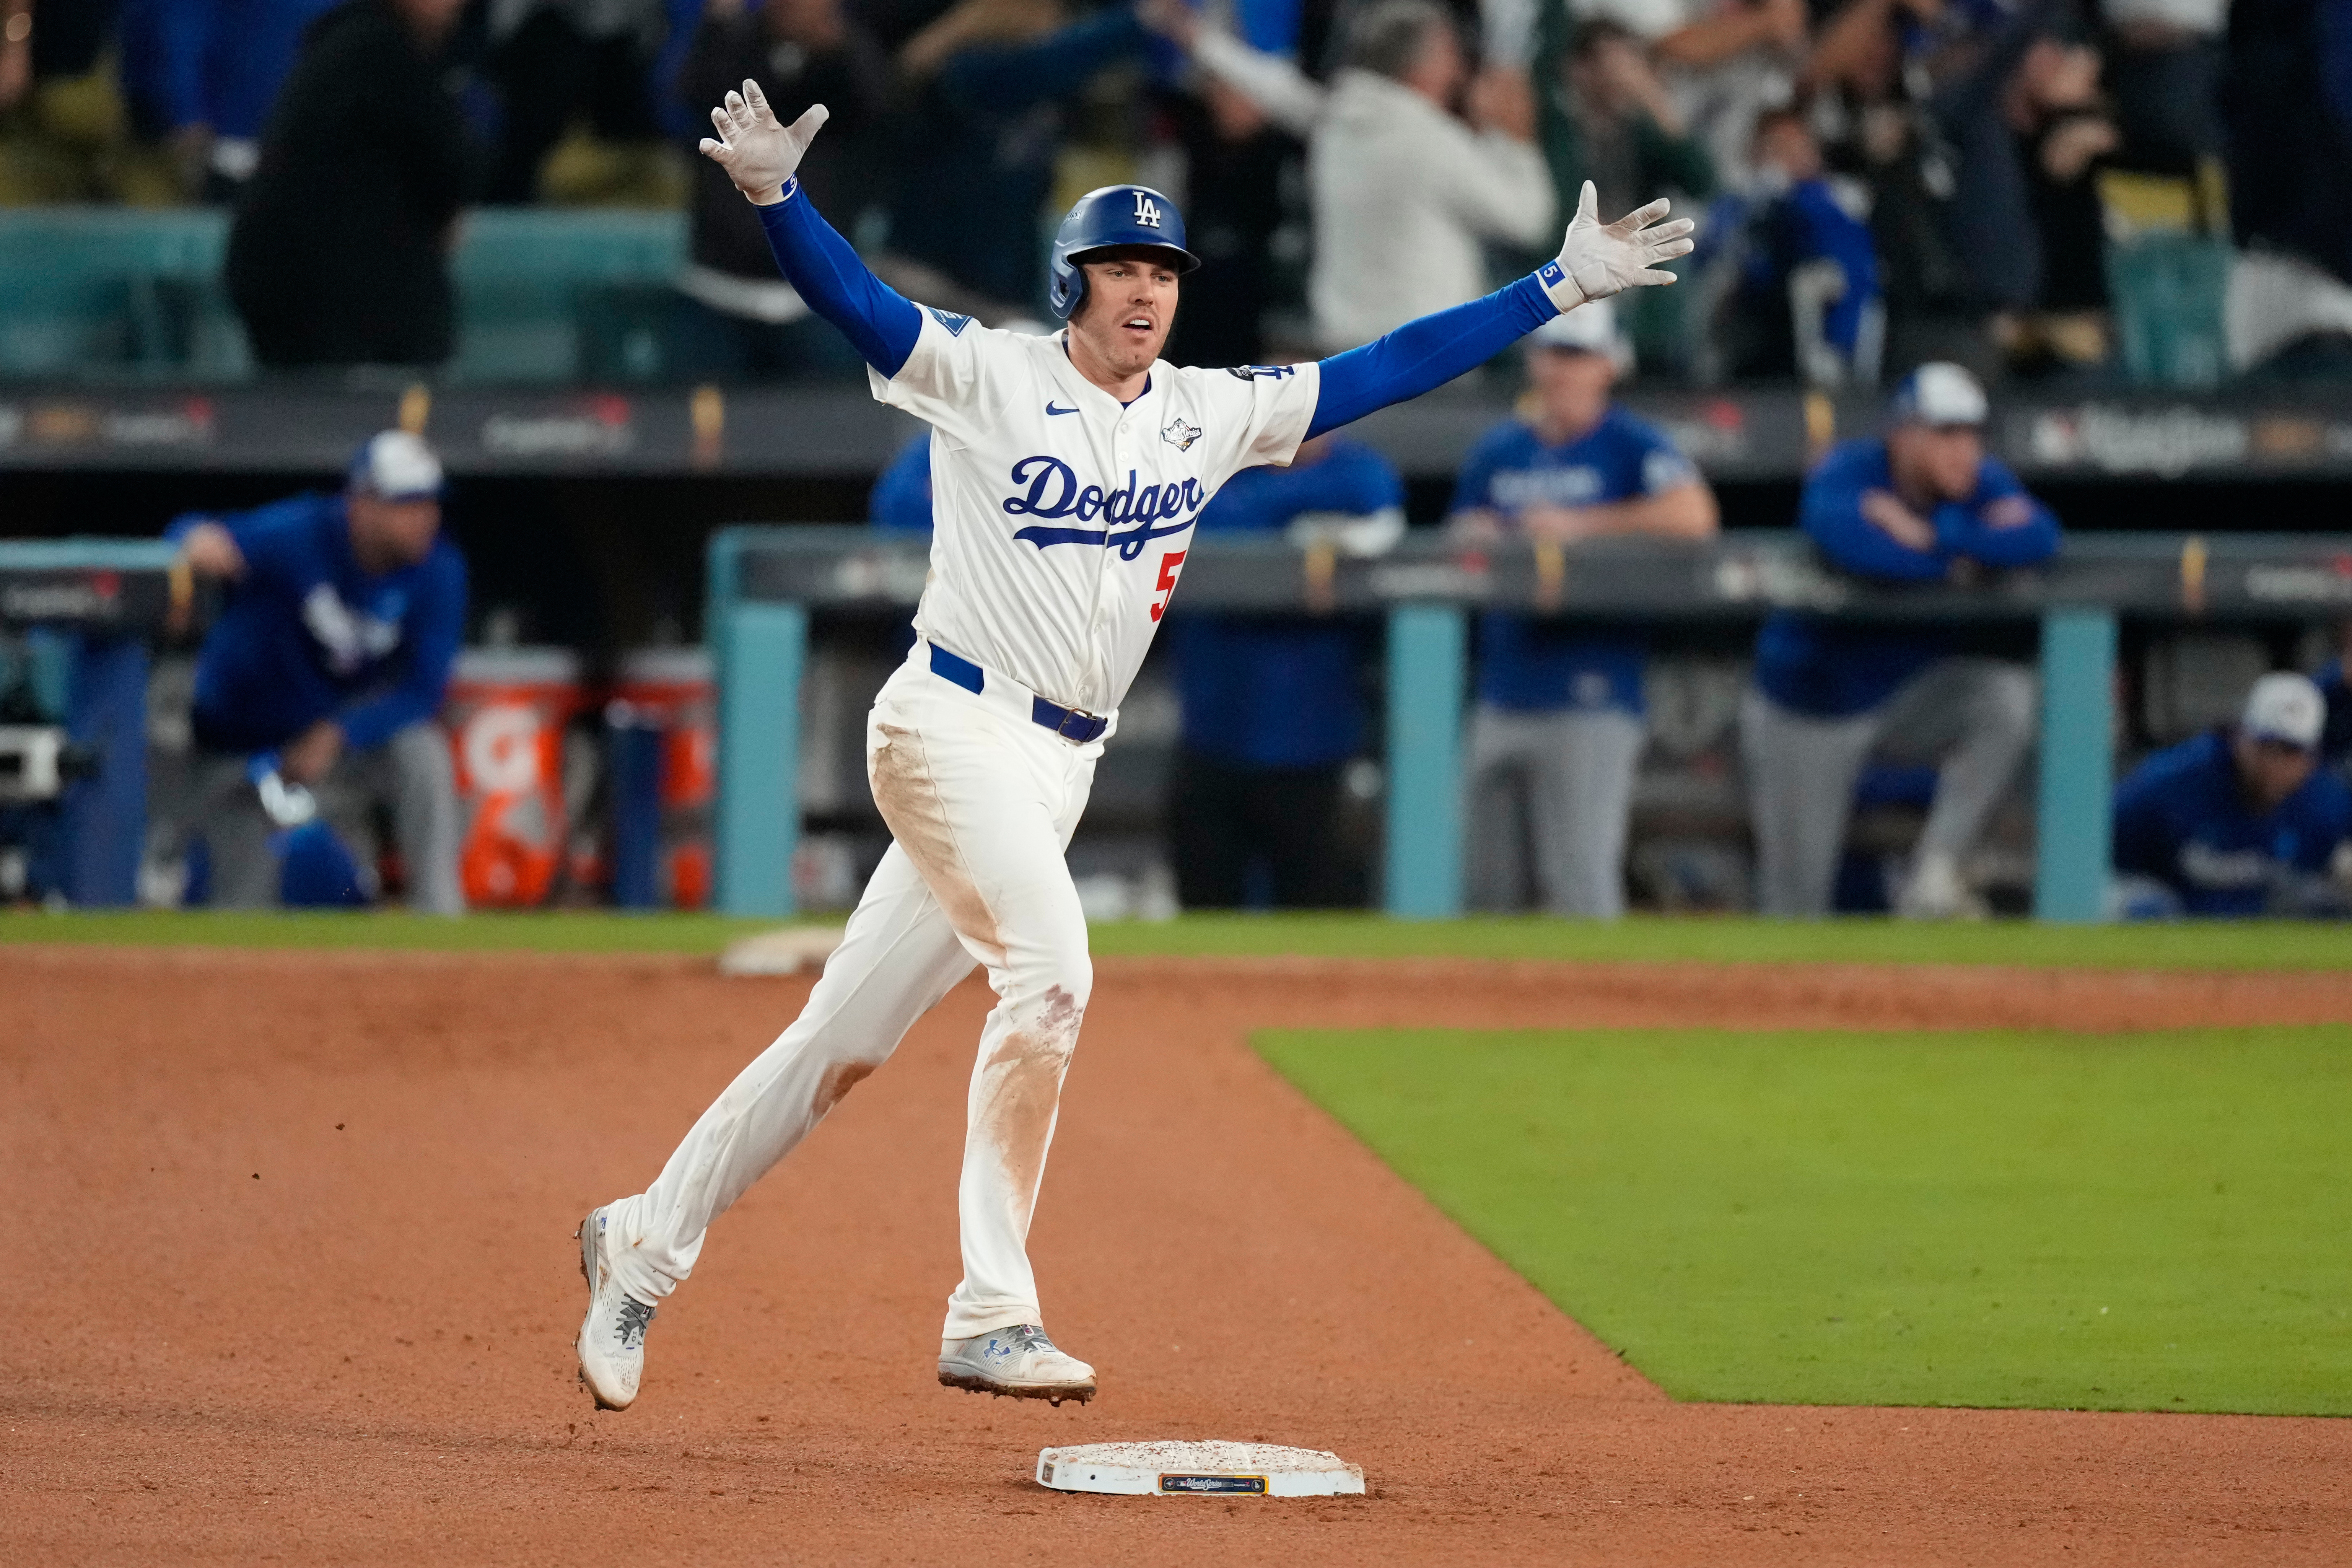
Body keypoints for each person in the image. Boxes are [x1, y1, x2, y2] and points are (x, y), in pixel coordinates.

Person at [571, 74, 1692, 1413]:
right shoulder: (987, 375)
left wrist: (1550, 292)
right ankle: (989, 1309)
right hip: (947, 725)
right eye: (1115, 267)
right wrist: (775, 196)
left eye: (1160, 267)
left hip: (1054, 764)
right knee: (1049, 975)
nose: (1143, 289)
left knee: (837, 1042)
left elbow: (1377, 370)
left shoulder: (1204, 412)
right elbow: (858, 307)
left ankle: (640, 1235)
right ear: (1070, 285)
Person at [1741, 362, 2059, 919]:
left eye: (1969, 434)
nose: (1962, 450)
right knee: (1796, 902)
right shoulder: (1850, 469)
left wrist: (1934, 534)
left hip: (1908, 696)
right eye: (1944, 434)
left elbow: (2038, 536)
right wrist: (1963, 556)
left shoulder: (1975, 480)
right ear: (1903, 434)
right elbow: (1854, 547)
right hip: (1813, 703)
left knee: (2003, 697)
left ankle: (1933, 873)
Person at [1449, 299, 1717, 917]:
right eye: (1555, 356)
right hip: (1502, 688)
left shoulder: (1629, 443)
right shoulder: (1500, 449)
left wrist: (1580, 525)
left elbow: (1693, 516)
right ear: (1534, 364)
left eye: (1579, 358)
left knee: (1580, 885)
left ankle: (1602, 1011)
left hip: (1592, 692)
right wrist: (1485, 537)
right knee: (1480, 892)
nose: (1564, 372)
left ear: (1607, 366)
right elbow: (1461, 531)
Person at [167, 431, 467, 915]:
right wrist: (194, 549)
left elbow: (422, 691)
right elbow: (194, 534)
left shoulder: (439, 570)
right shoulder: (299, 535)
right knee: (238, 908)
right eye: (407, 504)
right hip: (243, 749)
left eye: (429, 503)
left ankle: (442, 919)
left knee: (422, 754)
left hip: (334, 751)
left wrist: (338, 734)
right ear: (362, 504)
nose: (424, 519)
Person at [1165, 433, 1404, 909]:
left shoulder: (1357, 470)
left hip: (1315, 744)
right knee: (1205, 910)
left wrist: (1290, 527)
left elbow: (1383, 520)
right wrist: (1311, 530)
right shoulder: (1216, 466)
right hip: (1212, 735)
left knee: (1314, 911)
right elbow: (1211, 529)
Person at [225, 0, 472, 369]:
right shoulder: (376, 50)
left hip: (302, 296)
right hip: (323, 302)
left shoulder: (350, 44)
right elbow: (454, 165)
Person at [1308, 0, 1556, 349]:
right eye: (1449, 57)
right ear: (1420, 66)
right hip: (1425, 357)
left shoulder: (1334, 124)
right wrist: (1513, 138)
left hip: (1341, 348)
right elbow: (1527, 221)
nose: (1457, 72)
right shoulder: (1430, 138)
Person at [671, 0, 889, 378]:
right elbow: (692, 98)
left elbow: (879, 112)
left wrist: (839, 50)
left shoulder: (850, 58)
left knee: (832, 429)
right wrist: (720, 27)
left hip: (819, 299)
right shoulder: (732, 45)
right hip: (720, 289)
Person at [2110, 673, 2352, 918]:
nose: (2276, 765)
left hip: (2262, 919)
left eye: (2291, 752)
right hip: (2171, 913)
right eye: (2267, 747)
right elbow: (2099, 839)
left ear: (2311, 760)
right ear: (2241, 738)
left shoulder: (2327, 803)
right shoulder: (2173, 780)